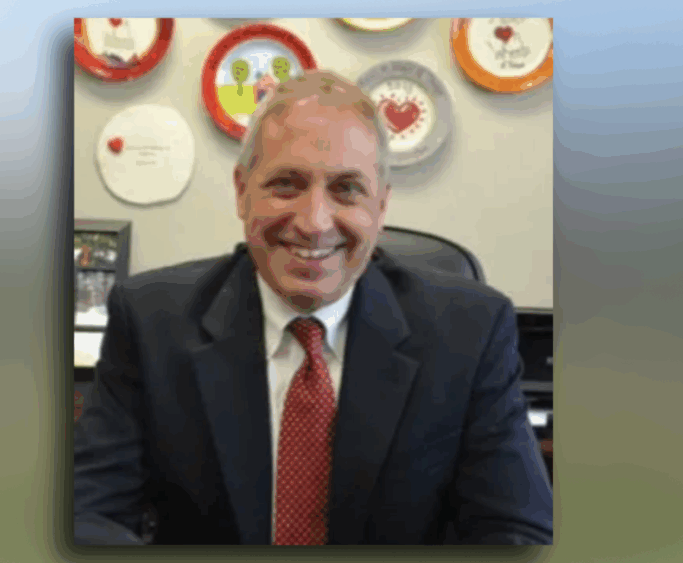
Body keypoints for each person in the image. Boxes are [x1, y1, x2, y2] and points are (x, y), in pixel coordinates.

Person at [73, 70, 553, 545]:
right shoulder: (151, 321)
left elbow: (518, 529)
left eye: (346, 189)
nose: (313, 222)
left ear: (381, 208)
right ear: (242, 192)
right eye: (286, 183)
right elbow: (86, 513)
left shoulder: (470, 332)